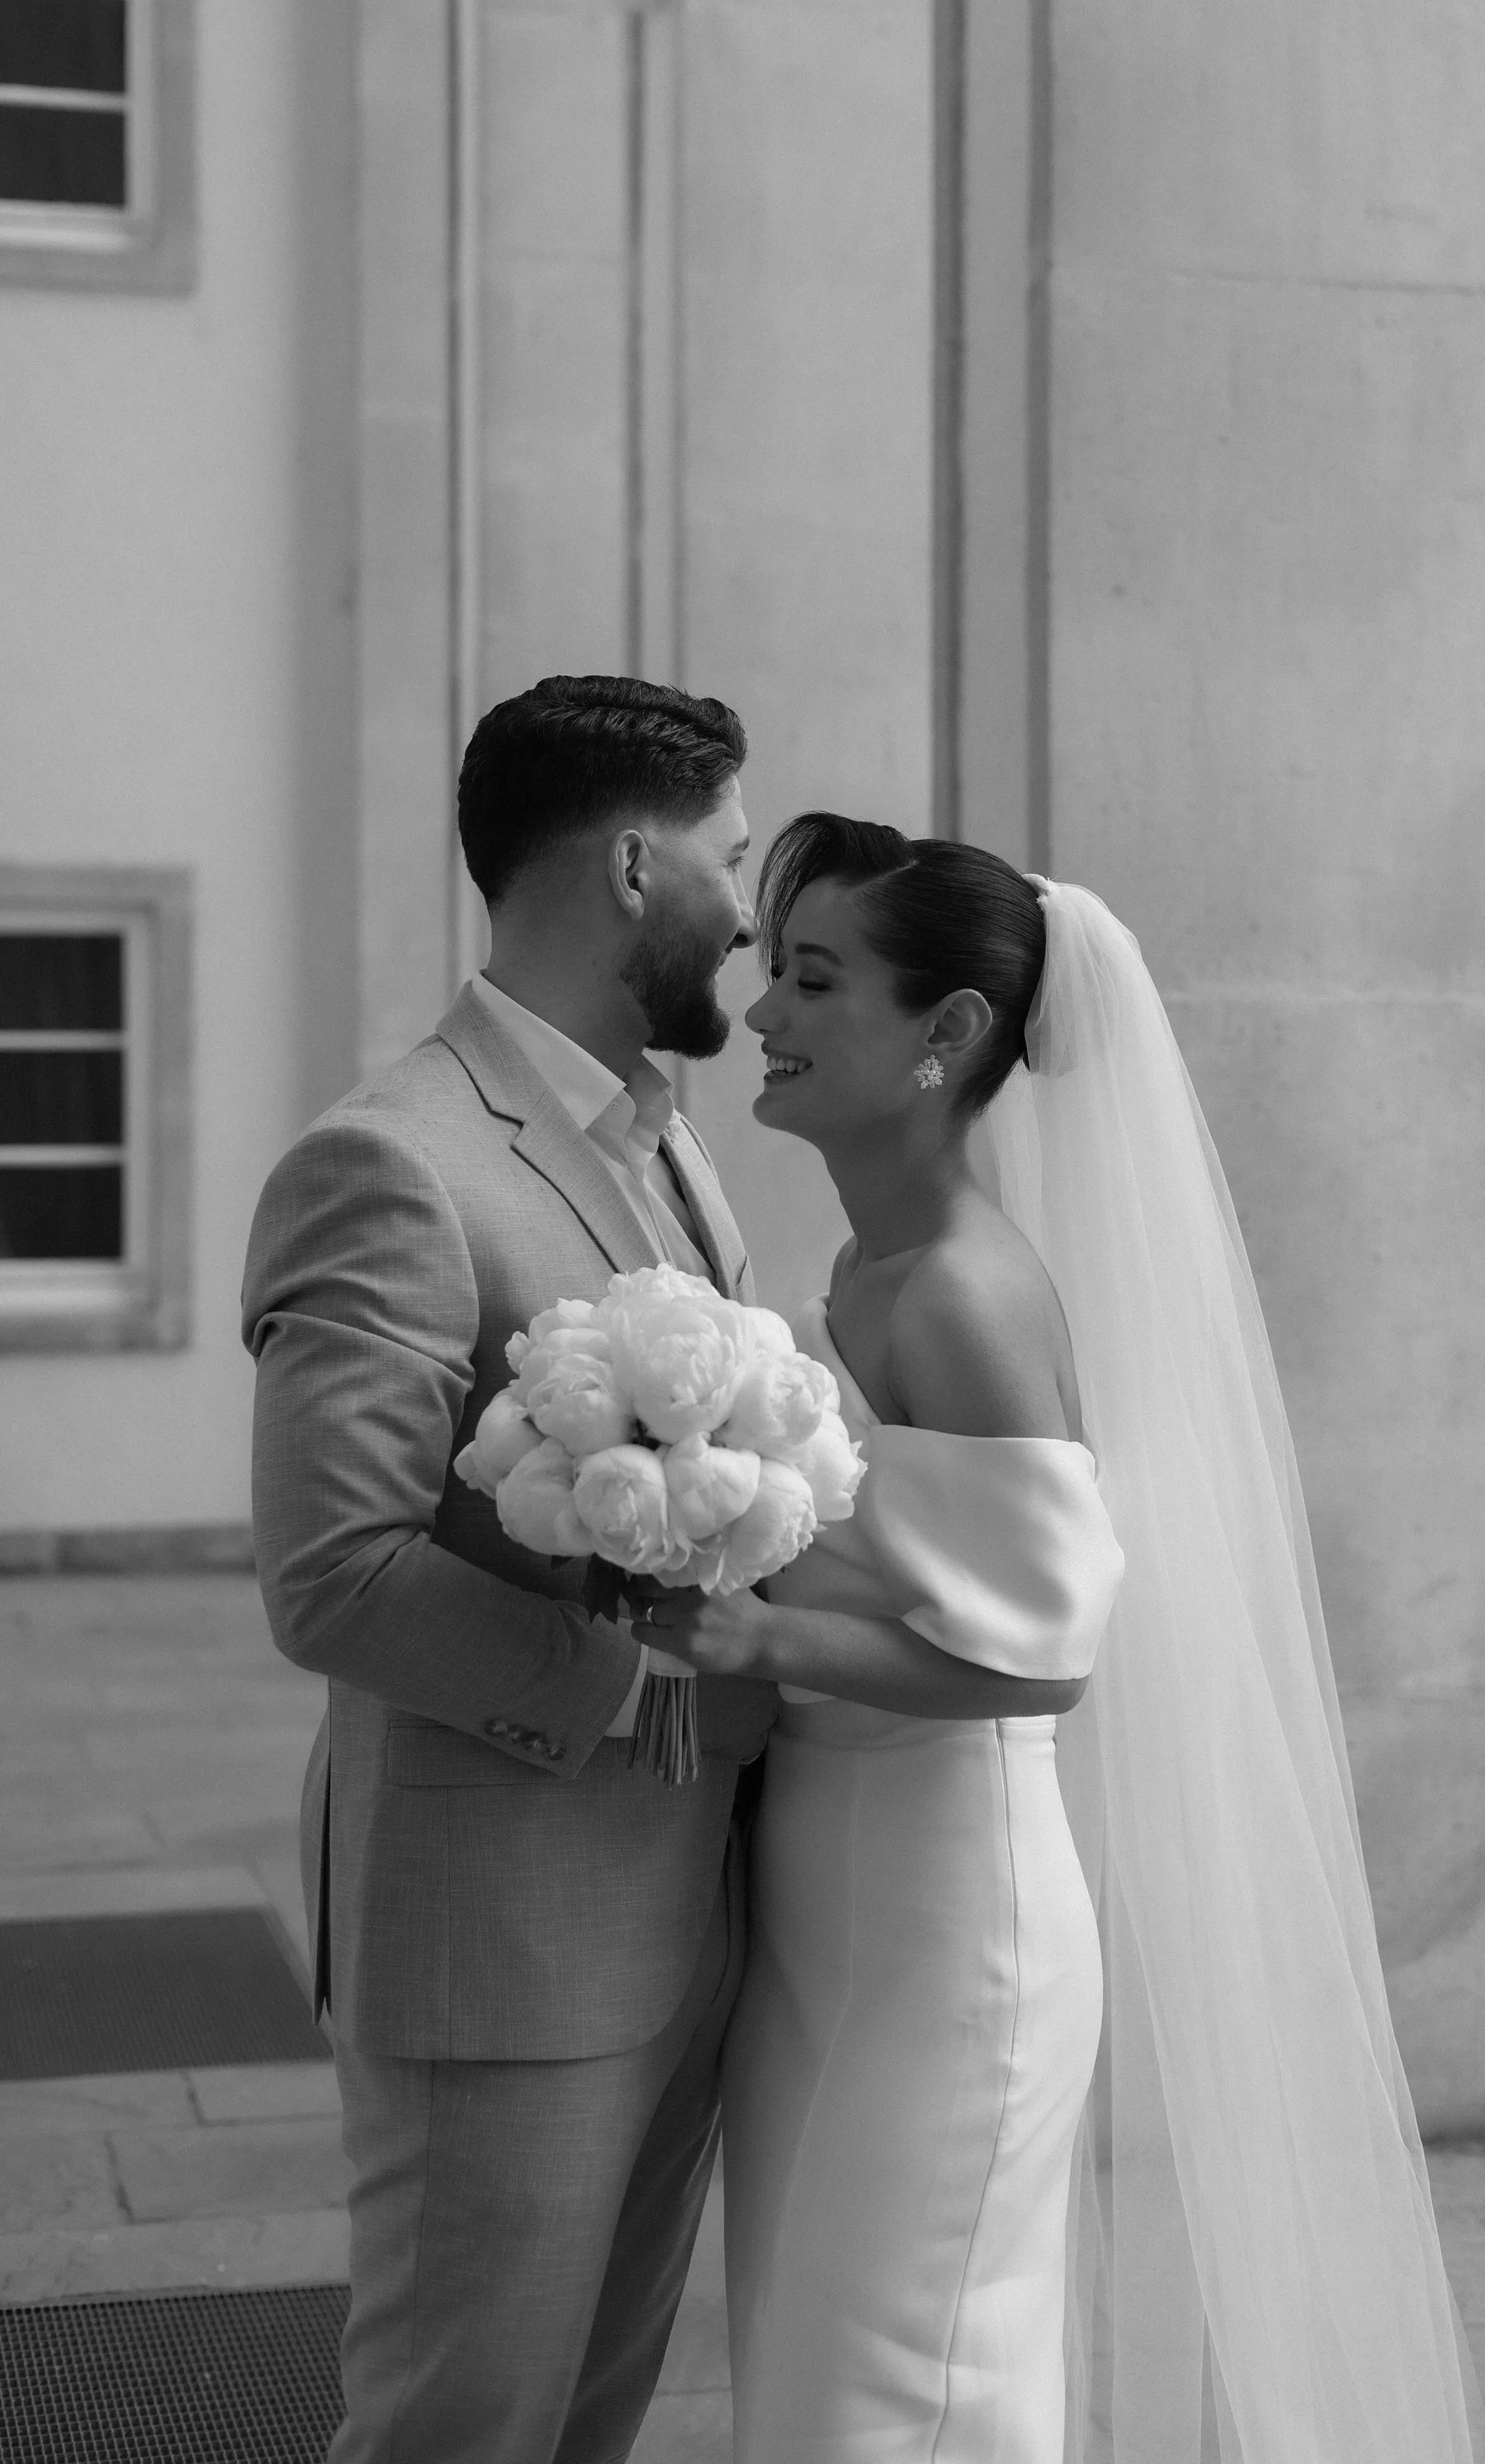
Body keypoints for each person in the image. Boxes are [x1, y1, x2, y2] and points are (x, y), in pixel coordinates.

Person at [642, 812, 1484, 2464]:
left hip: (951, 1923)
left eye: (814, 981)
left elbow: (1044, 1657)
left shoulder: (957, 1291)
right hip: (841, 1892)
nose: (764, 1014)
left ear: (949, 1037)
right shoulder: (867, 1265)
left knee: (908, 2381)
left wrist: (757, 1645)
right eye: (774, 971)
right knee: (827, 2363)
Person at [241, 675, 776, 2464]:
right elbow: (336, 1571)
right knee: (457, 2433)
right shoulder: (391, 1160)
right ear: (635, 865)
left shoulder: (669, 1137)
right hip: (504, 1944)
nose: (750, 900)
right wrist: (650, 1680)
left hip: (683, 1915)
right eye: (730, 853)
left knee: (589, 2431)